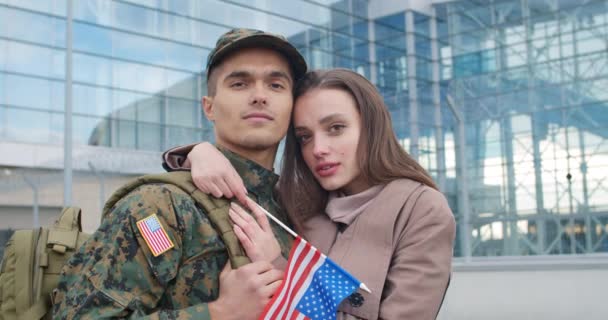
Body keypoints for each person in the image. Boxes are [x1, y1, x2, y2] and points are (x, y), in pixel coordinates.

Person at [52, 28, 308, 319]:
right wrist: (219, 313)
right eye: (239, 83)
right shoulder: (159, 206)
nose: (260, 96)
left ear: (292, 106)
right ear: (209, 108)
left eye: (276, 85)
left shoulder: (298, 210)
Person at [164, 69, 456, 319]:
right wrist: (200, 152)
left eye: (336, 128)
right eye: (305, 137)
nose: (318, 149)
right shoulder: (295, 200)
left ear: (372, 127)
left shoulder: (420, 209)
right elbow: (235, 184)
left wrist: (280, 268)